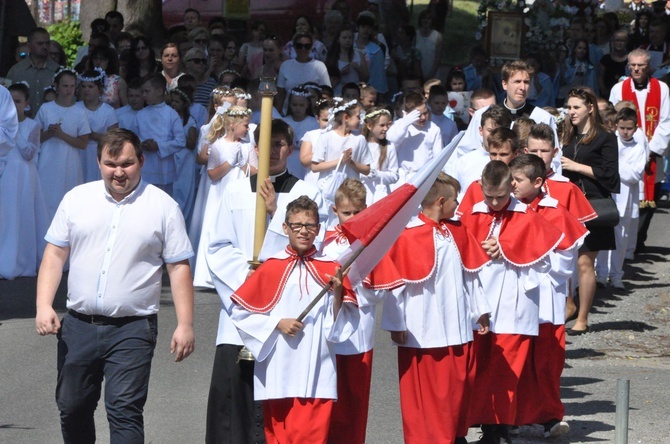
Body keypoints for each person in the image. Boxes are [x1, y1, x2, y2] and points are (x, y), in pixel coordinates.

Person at [35, 128, 195, 443]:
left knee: (124, 410)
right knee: (72, 406)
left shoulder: (163, 207)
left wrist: (185, 324)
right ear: (99, 163)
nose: (118, 172)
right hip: (79, 326)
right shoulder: (76, 199)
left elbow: (177, 267)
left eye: (126, 164)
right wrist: (43, 305)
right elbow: (55, 254)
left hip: (133, 329)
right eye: (111, 164)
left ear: (141, 161)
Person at [204, 119, 327, 444]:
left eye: (280, 144)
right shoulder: (235, 189)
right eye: (266, 144)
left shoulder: (307, 193)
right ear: (254, 148)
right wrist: (249, 280)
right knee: (232, 408)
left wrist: (276, 212)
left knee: (277, 411)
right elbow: (217, 247)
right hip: (239, 314)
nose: (272, 151)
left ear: (289, 148)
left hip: (287, 315)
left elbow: (318, 246)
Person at [230, 195, 359, 443]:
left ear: (318, 230)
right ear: (285, 227)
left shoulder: (331, 269)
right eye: (297, 225)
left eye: (309, 226)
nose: (303, 231)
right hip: (278, 370)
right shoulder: (271, 267)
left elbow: (343, 323)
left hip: (316, 370)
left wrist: (339, 292)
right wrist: (277, 323)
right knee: (279, 436)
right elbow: (240, 312)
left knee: (309, 436)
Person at [381, 172, 491, 444]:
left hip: (457, 325)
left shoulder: (456, 230)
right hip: (422, 330)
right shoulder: (407, 236)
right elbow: (395, 286)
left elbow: (471, 274)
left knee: (455, 389)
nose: (459, 206)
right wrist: (396, 324)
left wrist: (481, 311)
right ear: (441, 201)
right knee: (427, 395)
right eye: (455, 200)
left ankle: (453, 435)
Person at [460, 161, 563, 443]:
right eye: (489, 196)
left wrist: (506, 249)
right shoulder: (471, 214)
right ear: (481, 187)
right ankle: (481, 425)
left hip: (513, 304)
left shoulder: (527, 216)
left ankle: (500, 428)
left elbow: (545, 264)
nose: (494, 202)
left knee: (506, 373)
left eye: (501, 196)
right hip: (479, 304)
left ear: (512, 188)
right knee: (478, 369)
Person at [509, 154, 585, 438]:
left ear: (538, 182)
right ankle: (510, 417)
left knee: (546, 363)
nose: (512, 185)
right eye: (511, 179)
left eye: (517, 180)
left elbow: (566, 257)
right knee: (516, 360)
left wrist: (536, 266)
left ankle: (550, 417)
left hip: (546, 297)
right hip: (514, 299)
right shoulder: (508, 208)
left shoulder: (555, 211)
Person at [321, 179, 396, 444]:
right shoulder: (324, 243)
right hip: (328, 330)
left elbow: (379, 291)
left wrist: (354, 283)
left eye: (358, 211)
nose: (352, 218)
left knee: (354, 398)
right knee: (327, 394)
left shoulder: (371, 245)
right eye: (346, 212)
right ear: (334, 211)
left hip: (358, 333)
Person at [561, 86, 620, 335]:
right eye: (569, 107)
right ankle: (568, 304)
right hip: (566, 204)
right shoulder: (567, 136)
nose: (572, 112)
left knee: (585, 262)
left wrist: (576, 166)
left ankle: (582, 317)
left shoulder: (605, 137)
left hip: (592, 204)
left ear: (590, 109)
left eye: (577, 107)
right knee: (563, 260)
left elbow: (610, 176)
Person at [609, 48, 670, 254]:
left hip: (652, 153)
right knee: (625, 197)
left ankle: (638, 241)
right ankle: (623, 245)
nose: (636, 69)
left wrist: (649, 150)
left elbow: (665, 121)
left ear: (648, 66)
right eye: (632, 65)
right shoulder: (619, 89)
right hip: (624, 151)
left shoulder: (662, 89)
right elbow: (612, 116)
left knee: (650, 196)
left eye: (640, 65)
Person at [595, 107, 648, 289]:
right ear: (616, 126)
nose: (625, 132)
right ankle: (601, 274)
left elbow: (634, 174)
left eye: (629, 128)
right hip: (610, 197)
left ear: (635, 128)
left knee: (621, 238)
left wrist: (615, 170)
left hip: (626, 199)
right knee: (604, 235)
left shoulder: (638, 149)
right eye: (622, 128)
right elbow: (603, 167)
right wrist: (614, 170)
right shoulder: (610, 144)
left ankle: (616, 275)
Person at [0, 84, 48, 280]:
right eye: (9, 101)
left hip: (24, 176)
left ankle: (22, 259)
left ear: (26, 104)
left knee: (22, 214)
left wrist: (15, 133)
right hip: (6, 174)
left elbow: (29, 153)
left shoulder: (31, 125)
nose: (12, 106)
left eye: (17, 102)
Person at [36, 68, 91, 221]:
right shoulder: (46, 109)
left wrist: (62, 135)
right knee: (47, 197)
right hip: (48, 160)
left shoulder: (79, 112)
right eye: (65, 86)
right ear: (56, 86)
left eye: (72, 86)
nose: (69, 90)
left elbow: (83, 143)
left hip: (69, 162)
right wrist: (49, 133)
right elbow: (35, 138)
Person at [445, 105, 512, 201]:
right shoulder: (463, 162)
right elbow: (452, 196)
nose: (495, 135)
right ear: (481, 130)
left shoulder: (515, 162)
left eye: (500, 131)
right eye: (490, 131)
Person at [136, 73, 186, 195]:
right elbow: (134, 137)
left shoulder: (171, 114)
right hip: (145, 165)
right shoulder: (140, 115)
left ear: (159, 91)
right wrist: (142, 144)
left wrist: (159, 146)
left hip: (165, 167)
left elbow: (181, 141)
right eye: (142, 92)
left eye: (147, 91)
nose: (144, 95)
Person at [386, 92, 442, 187]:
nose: (423, 117)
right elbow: (392, 143)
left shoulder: (433, 129)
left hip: (424, 176)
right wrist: (404, 124)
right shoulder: (398, 125)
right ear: (408, 114)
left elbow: (438, 156)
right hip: (402, 178)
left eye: (425, 113)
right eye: (418, 115)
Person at [76, 68, 119, 183]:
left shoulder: (108, 111)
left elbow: (113, 139)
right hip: (78, 153)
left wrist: (92, 135)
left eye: (90, 87)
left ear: (100, 90)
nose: (86, 90)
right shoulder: (76, 108)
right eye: (83, 86)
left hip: (98, 152)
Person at [6, 27, 59, 114]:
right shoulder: (16, 71)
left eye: (47, 43)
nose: (45, 47)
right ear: (29, 46)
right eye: (40, 43)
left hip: (51, 124)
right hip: (22, 123)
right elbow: (6, 100)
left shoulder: (58, 71)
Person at [276, 32, 331, 114]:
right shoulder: (286, 65)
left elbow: (326, 93)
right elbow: (280, 95)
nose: (303, 49)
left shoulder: (320, 66)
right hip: (288, 113)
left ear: (312, 47)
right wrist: (277, 114)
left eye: (307, 46)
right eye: (299, 46)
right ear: (294, 46)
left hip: (313, 114)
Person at [361, 107, 399, 204]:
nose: (385, 129)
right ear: (369, 126)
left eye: (387, 125)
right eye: (382, 125)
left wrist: (377, 174)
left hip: (380, 194)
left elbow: (394, 175)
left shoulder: (389, 146)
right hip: (361, 193)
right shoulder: (360, 144)